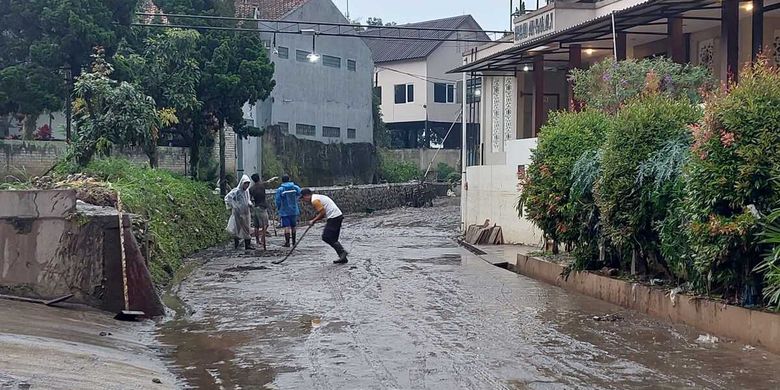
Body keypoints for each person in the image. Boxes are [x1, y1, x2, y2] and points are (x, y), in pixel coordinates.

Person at [300, 188, 348, 264]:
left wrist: (313, 220)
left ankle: (342, 252)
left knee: (326, 237)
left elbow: (322, 213)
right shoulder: (317, 197)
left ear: (306, 196)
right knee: (333, 239)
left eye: (303, 198)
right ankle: (343, 257)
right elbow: (322, 213)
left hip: (334, 217)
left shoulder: (314, 200)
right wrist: (315, 219)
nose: (303, 200)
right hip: (338, 216)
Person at [249, 173, 278, 250]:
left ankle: (257, 241)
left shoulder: (251, 189)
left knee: (256, 226)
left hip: (255, 207)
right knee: (266, 224)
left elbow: (250, 199)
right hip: (262, 207)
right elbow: (269, 182)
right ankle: (263, 239)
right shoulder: (262, 185)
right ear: (259, 178)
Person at [225, 175, 254, 250]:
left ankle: (247, 245)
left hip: (246, 212)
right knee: (237, 228)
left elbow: (247, 199)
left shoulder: (246, 191)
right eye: (245, 183)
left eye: (248, 183)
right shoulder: (236, 191)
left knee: (247, 228)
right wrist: (234, 206)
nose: (246, 185)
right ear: (242, 183)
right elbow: (228, 198)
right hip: (238, 213)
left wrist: (250, 203)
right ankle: (236, 243)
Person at [275, 175, 301, 248]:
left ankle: (287, 243)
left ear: (282, 180)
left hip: (284, 211)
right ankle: (294, 242)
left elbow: (278, 200)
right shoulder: (295, 187)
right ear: (289, 179)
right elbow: (300, 193)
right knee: (293, 226)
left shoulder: (280, 189)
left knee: (286, 226)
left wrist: (278, 208)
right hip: (294, 210)